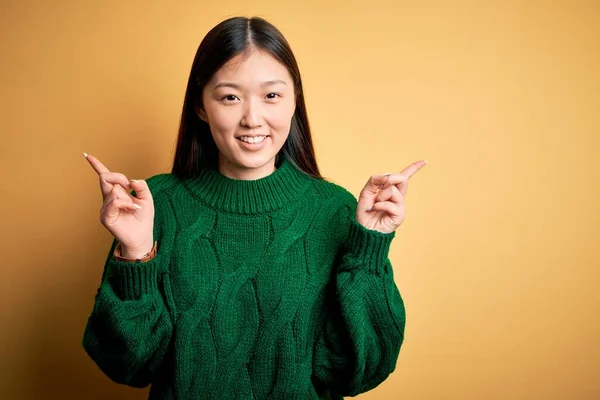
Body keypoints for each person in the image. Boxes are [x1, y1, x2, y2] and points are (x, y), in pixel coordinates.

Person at [82, 15, 426, 400]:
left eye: (272, 95)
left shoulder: (335, 211)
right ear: (200, 105)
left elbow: (357, 371)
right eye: (230, 96)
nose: (252, 118)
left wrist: (368, 250)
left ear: (295, 100)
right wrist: (135, 255)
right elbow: (127, 365)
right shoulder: (155, 205)